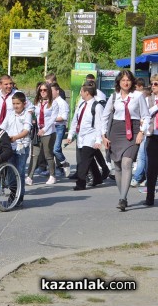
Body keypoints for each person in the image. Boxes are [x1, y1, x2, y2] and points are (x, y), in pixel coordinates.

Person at [102, 70, 149, 211]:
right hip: (116, 131)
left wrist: (142, 132)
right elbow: (105, 116)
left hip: (133, 131)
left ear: (132, 81)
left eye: (128, 80)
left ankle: (122, 199)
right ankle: (123, 195)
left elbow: (146, 116)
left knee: (127, 162)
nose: (126, 82)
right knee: (117, 166)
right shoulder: (114, 96)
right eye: (123, 80)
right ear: (118, 82)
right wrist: (103, 135)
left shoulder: (138, 96)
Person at [67, 82, 104, 191]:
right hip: (81, 137)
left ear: (87, 93)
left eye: (81, 92)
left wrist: (98, 140)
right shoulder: (82, 104)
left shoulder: (97, 107)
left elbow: (99, 125)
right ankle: (97, 177)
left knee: (84, 161)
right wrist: (71, 134)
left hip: (91, 137)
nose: (81, 93)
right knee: (89, 159)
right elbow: (75, 120)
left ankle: (81, 183)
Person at [26, 82, 59, 185]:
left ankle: (52, 175)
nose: (42, 92)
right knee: (34, 154)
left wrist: (44, 129)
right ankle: (30, 177)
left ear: (49, 91)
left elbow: (53, 119)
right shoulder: (36, 102)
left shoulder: (53, 103)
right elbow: (31, 112)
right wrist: (32, 119)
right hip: (37, 131)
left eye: (45, 90)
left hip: (48, 132)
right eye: (40, 90)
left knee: (48, 154)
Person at [4, 92, 31, 205]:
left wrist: (15, 137)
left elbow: (26, 130)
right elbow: (3, 126)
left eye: (18, 103)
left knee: (19, 171)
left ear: (24, 104)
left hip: (21, 146)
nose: (16, 106)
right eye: (14, 103)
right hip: (11, 146)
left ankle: (19, 195)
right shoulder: (10, 114)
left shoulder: (27, 114)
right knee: (10, 170)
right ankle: (13, 191)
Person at [143, 75, 158, 205]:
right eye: (152, 84)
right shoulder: (148, 99)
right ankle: (150, 198)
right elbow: (146, 113)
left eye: (156, 84)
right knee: (151, 168)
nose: (153, 86)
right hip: (152, 135)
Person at [51, 82, 70, 176]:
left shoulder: (62, 103)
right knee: (53, 149)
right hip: (52, 127)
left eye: (52, 91)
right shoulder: (52, 102)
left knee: (56, 149)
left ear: (57, 91)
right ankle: (55, 169)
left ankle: (65, 163)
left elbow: (64, 117)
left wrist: (51, 119)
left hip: (59, 127)